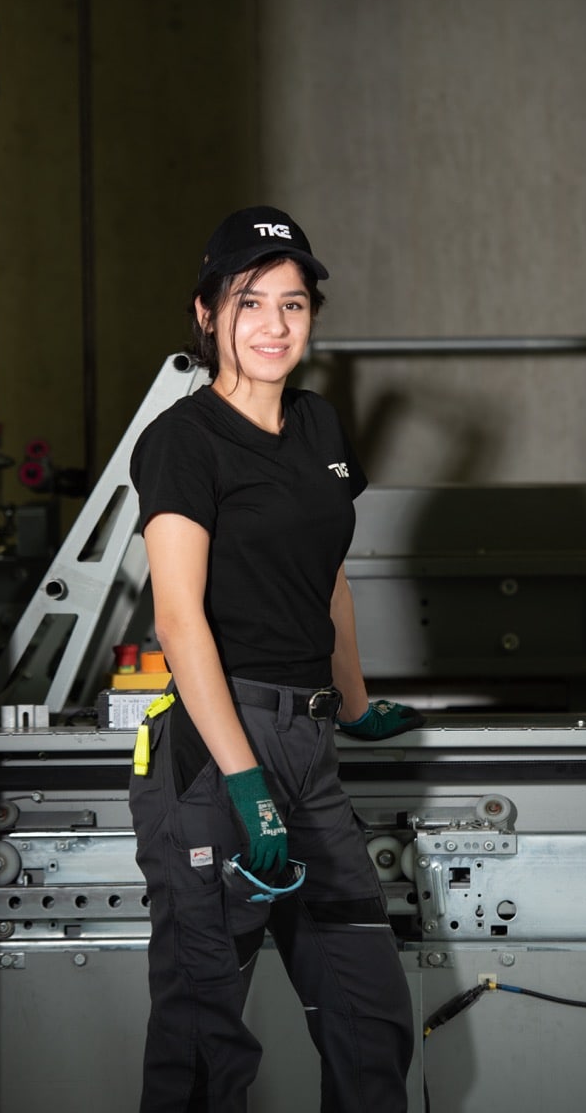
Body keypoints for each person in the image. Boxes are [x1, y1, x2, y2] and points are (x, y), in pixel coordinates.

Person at [128, 205, 424, 1113]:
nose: (273, 325)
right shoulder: (182, 442)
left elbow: (327, 579)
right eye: (248, 303)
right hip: (217, 755)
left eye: (292, 305)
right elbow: (179, 619)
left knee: (370, 1018)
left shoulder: (320, 426)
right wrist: (246, 780)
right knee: (205, 1042)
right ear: (206, 313)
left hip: (308, 749)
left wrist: (355, 700)